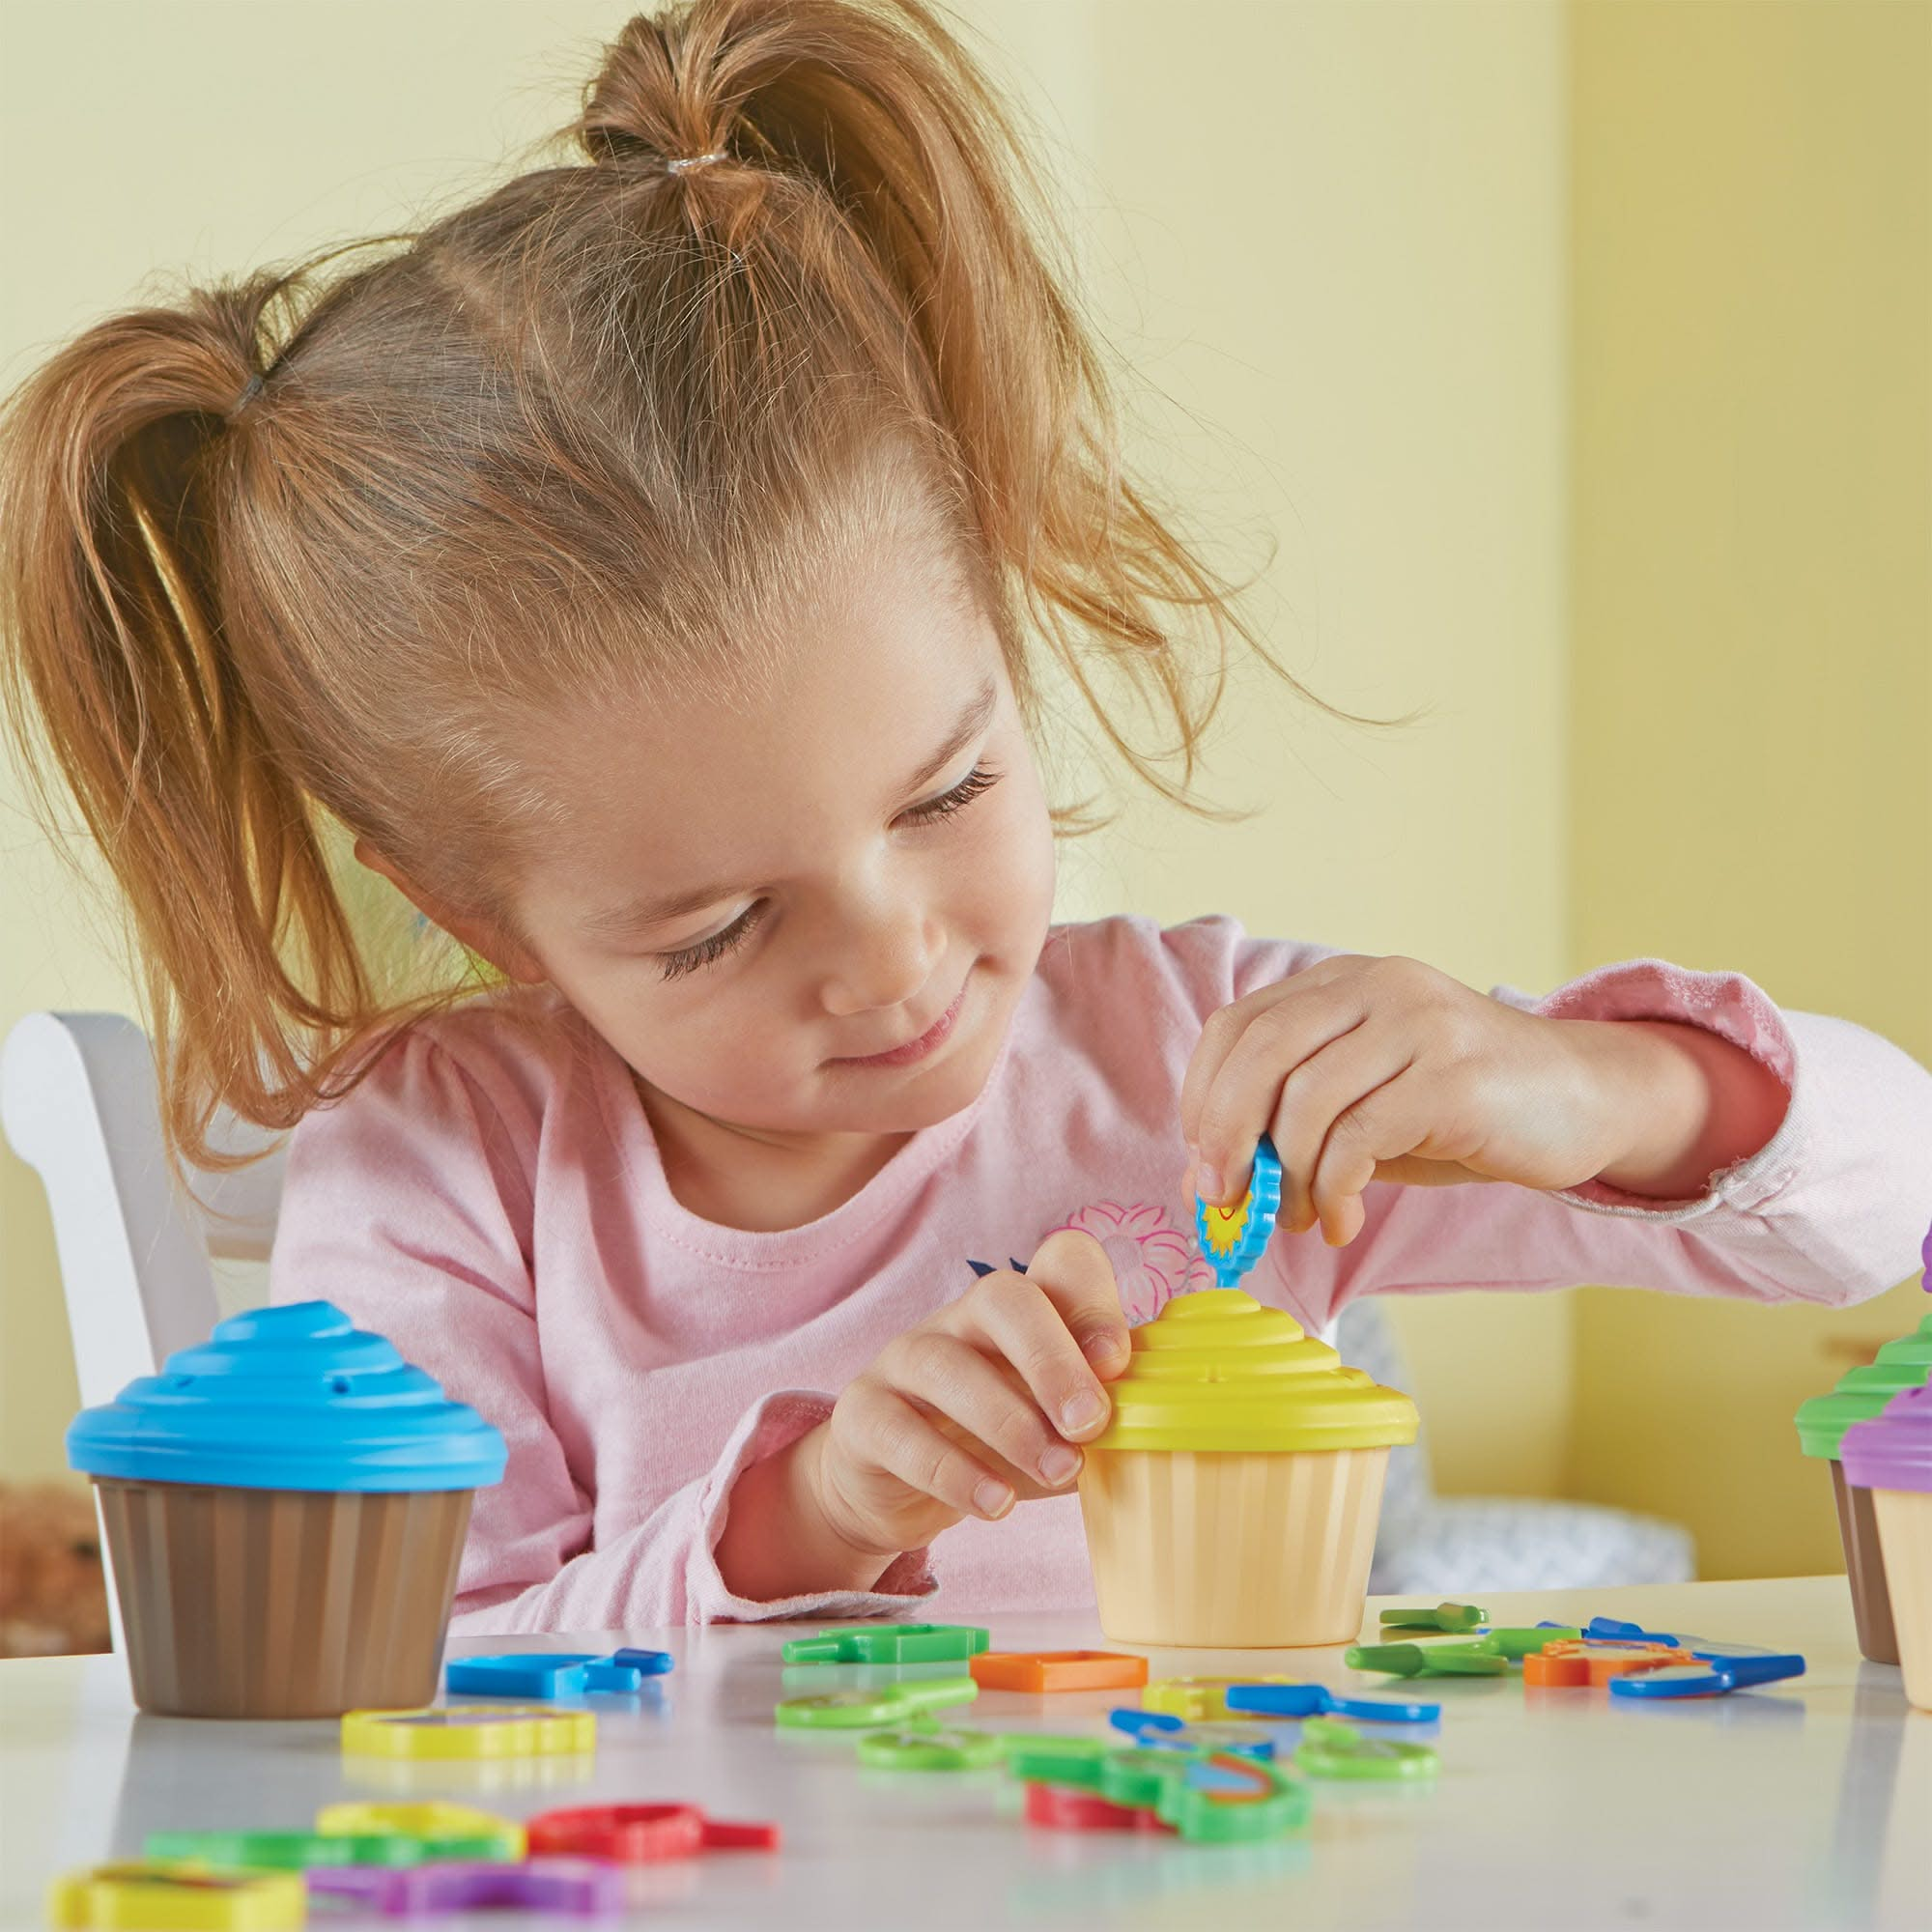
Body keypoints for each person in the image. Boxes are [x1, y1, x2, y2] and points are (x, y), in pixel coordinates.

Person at [3, 0, 1927, 1634]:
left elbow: (1890, 1204)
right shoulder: (441, 1171)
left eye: (947, 788)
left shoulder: (1191, 1067)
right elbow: (416, 1681)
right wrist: (809, 1516)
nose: (898, 955)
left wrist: (1600, 1089)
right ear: (482, 915)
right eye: (717, 927)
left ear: (994, 630)